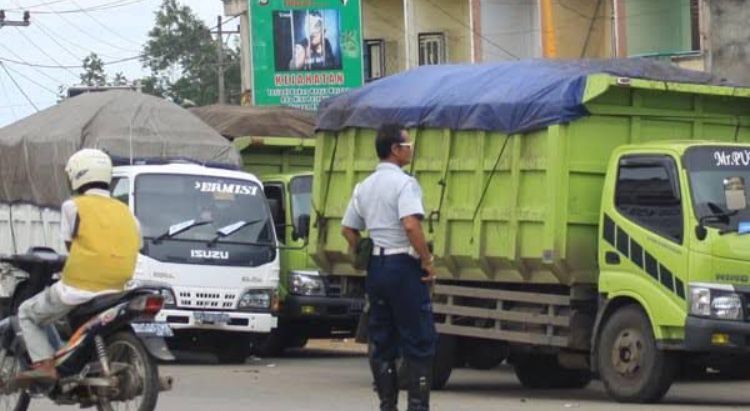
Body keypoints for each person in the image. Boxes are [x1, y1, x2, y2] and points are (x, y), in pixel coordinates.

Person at [15, 148, 141, 384]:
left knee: (27, 313)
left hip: (78, 287)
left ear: (76, 175)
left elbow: (70, 246)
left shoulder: (73, 207)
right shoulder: (127, 213)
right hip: (117, 289)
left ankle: (44, 364)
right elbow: (136, 244)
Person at [341, 124, 437, 411]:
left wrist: (365, 249)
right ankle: (417, 407)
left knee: (382, 341)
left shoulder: (364, 186)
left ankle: (387, 405)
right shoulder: (405, 184)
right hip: (403, 267)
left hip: (377, 269)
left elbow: (348, 229)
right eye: (408, 145)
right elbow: (410, 224)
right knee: (418, 340)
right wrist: (427, 260)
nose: (411, 149)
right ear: (395, 150)